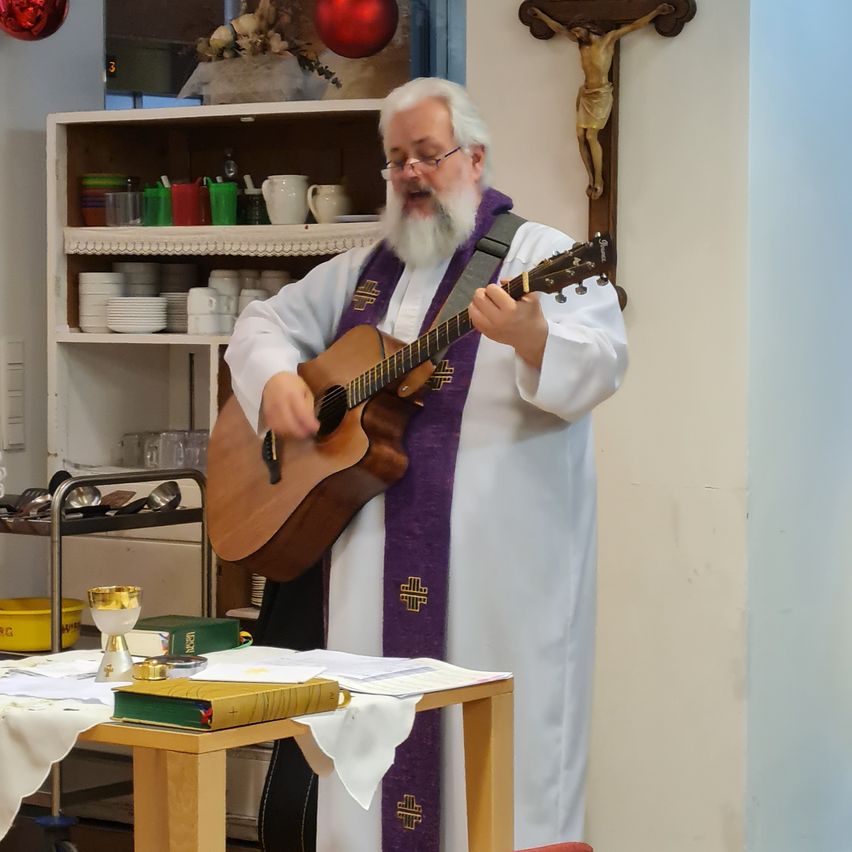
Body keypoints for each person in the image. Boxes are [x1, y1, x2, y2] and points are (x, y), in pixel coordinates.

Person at [225, 76, 628, 851]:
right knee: (368, 785)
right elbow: (260, 323)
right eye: (396, 160)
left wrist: (533, 338)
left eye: (429, 155)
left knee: (501, 796)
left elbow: (605, 360)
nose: (411, 174)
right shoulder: (361, 273)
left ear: (473, 159)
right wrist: (277, 379)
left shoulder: (541, 257)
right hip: (367, 591)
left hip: (501, 590)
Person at [530, 4, 674, 199]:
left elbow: (635, 26)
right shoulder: (581, 42)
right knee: (580, 136)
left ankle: (599, 180)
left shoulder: (608, 40)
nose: (577, 36)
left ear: (589, 28)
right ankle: (589, 176)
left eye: (579, 31)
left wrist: (656, 12)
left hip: (601, 94)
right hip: (586, 93)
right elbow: (559, 29)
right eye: (575, 33)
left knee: (591, 136)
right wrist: (539, 15)